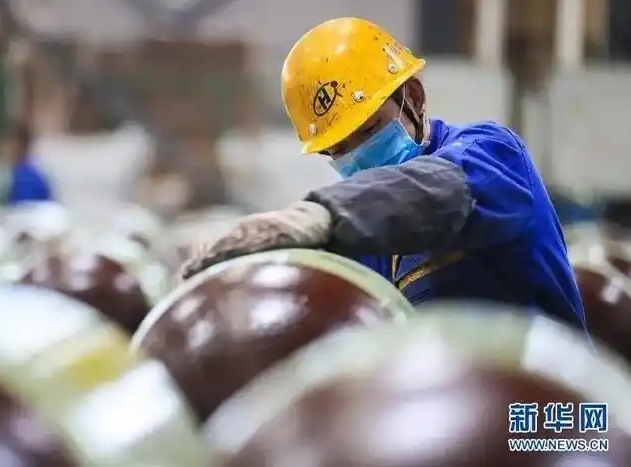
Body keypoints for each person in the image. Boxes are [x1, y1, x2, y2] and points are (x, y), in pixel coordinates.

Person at [179, 17, 586, 330]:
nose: (356, 156)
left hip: (542, 406)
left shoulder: (492, 154)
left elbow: (438, 190)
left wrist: (318, 216)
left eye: (369, 130)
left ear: (414, 98)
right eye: (337, 150)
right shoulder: (365, 241)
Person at [0, 122, 54, 205]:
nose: (4, 149)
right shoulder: (18, 172)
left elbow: (22, 208)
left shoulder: (26, 178)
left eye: (8, 144)